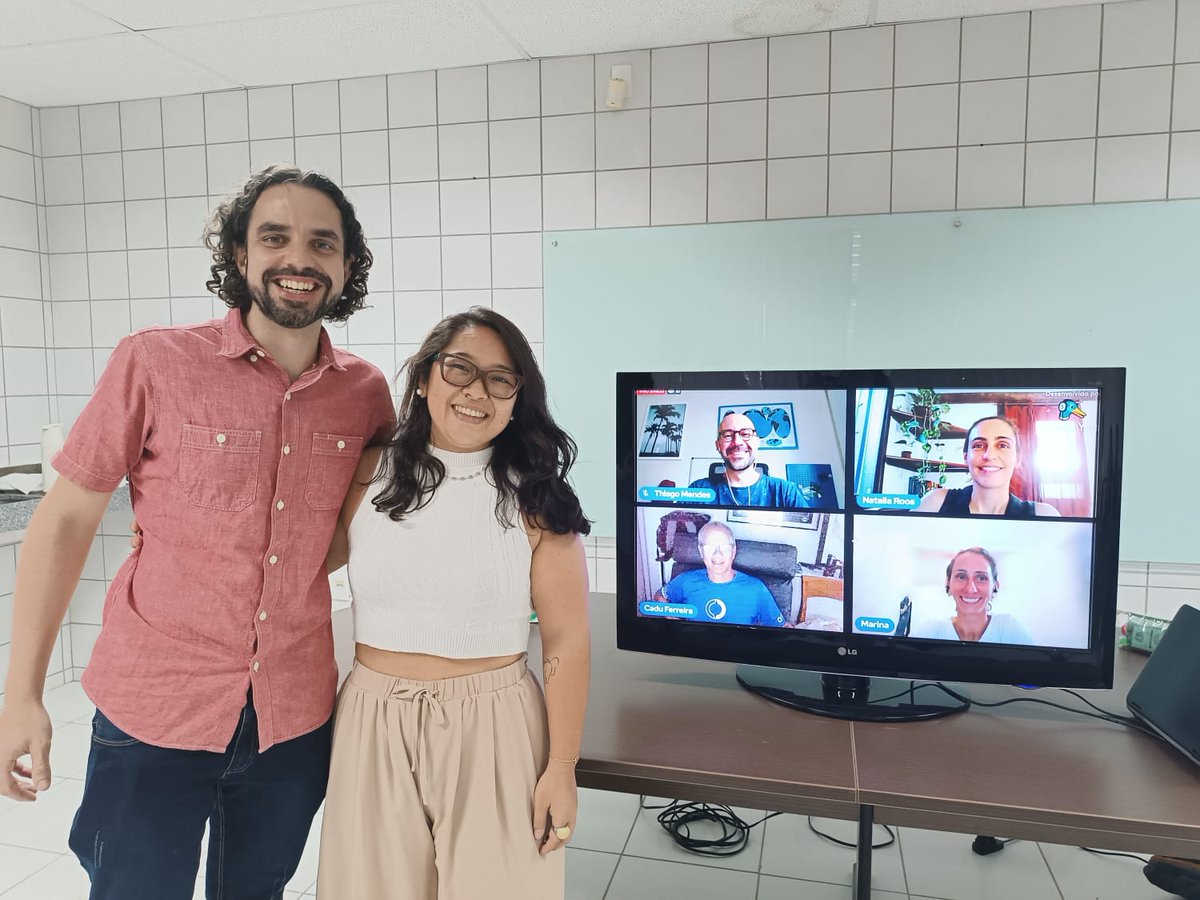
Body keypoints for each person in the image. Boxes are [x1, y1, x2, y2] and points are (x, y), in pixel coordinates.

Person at [0, 166, 394, 898]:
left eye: (322, 243)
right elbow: (63, 524)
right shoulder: (154, 361)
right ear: (240, 257)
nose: (298, 259)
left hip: (293, 719)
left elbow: (356, 537)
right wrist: (21, 693)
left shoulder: (365, 396)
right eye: (274, 237)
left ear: (346, 266)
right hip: (156, 707)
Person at [315, 308, 591, 900]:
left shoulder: (537, 497)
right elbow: (292, 558)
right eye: (459, 369)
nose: (476, 392)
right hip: (373, 719)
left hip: (496, 723)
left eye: (500, 379)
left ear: (518, 398)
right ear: (424, 378)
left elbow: (567, 639)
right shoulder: (369, 474)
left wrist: (562, 767)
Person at [916, 415, 1061, 517]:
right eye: (979, 445)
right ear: (966, 457)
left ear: (1018, 458)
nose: (989, 455)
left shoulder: (1044, 514)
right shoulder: (936, 502)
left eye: (1003, 445)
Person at [653, 521, 786, 627]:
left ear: (733, 551)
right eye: (710, 547)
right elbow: (659, 595)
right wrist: (672, 617)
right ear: (701, 551)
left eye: (724, 548)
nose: (718, 554)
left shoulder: (756, 588)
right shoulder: (685, 580)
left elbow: (780, 627)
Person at [910, 547, 1033, 644]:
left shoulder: (1009, 628)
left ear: (995, 586)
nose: (970, 589)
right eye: (961, 576)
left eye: (981, 578)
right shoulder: (929, 631)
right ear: (948, 582)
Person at [689, 412, 810, 508]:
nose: (737, 442)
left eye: (746, 434)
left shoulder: (786, 492)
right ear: (718, 445)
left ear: (757, 442)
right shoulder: (698, 489)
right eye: (727, 435)